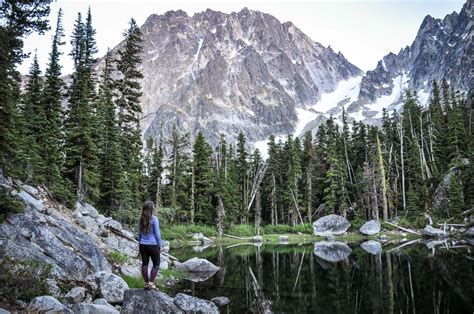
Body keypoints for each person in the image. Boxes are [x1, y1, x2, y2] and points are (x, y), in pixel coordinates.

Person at [138, 201, 161, 290]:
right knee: (156, 264)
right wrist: (159, 244)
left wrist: (140, 242)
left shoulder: (141, 219)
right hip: (153, 245)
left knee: (144, 264)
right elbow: (157, 234)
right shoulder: (154, 219)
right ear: (151, 209)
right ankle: (151, 283)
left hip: (143, 245)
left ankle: (147, 283)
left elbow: (139, 233)